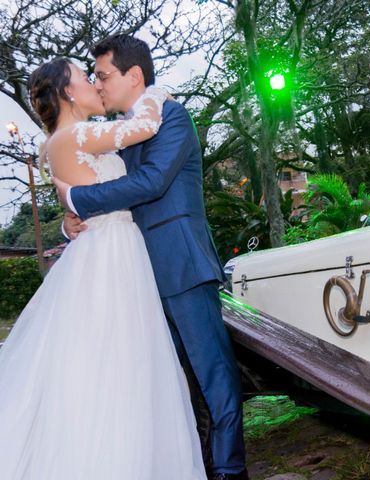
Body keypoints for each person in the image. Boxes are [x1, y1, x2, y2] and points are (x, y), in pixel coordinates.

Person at [0, 58, 206, 479]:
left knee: (122, 360)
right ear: (68, 92)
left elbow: (88, 195)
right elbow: (144, 128)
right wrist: (151, 91)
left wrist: (68, 220)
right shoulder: (75, 134)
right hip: (111, 255)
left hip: (110, 246)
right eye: (84, 77)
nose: (94, 83)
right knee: (119, 362)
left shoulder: (67, 140)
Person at [54, 35, 247, 480]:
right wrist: (70, 221)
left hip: (180, 266)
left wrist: (80, 199)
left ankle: (230, 471)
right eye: (95, 78)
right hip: (135, 279)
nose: (98, 85)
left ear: (134, 75)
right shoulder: (118, 133)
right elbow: (103, 186)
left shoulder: (173, 117)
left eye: (103, 75)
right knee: (164, 384)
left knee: (213, 378)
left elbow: (153, 181)